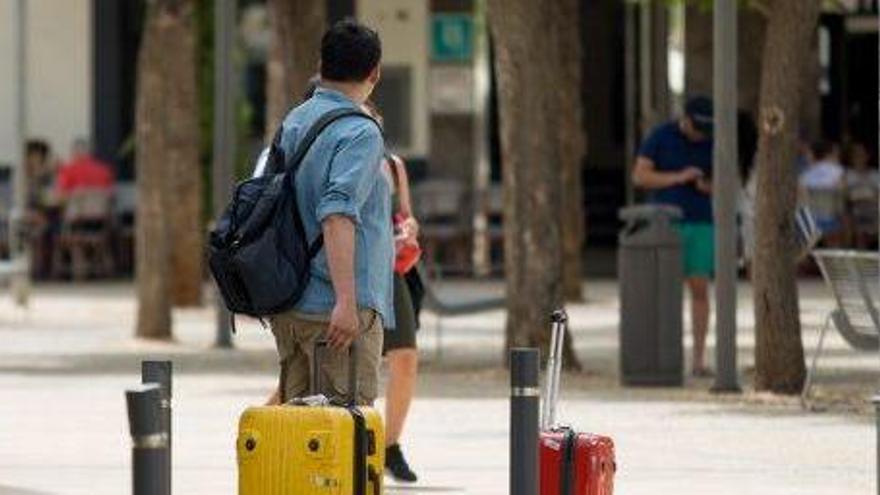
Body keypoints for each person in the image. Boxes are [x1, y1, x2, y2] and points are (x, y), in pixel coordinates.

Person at [264, 20, 391, 407]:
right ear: (375, 73)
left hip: (290, 303)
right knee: (341, 436)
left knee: (298, 442)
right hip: (333, 311)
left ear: (322, 64)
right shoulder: (360, 131)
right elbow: (336, 214)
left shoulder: (295, 121)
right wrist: (346, 301)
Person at [632, 96, 715, 377]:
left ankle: (698, 359)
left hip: (701, 222)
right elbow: (640, 176)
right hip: (665, 222)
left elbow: (726, 182)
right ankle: (662, 357)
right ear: (686, 118)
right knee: (664, 293)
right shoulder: (660, 136)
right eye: (697, 127)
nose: (700, 133)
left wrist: (706, 186)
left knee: (700, 290)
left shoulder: (712, 140)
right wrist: (678, 177)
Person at [799, 140, 846, 245]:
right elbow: (843, 192)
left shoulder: (805, 175)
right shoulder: (837, 171)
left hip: (811, 221)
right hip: (832, 219)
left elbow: (803, 199)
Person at [844, 142, 878, 248]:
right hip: (854, 212)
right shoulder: (846, 174)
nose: (859, 158)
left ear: (868, 156)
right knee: (857, 229)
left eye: (862, 155)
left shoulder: (875, 174)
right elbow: (846, 196)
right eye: (856, 155)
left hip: (874, 211)